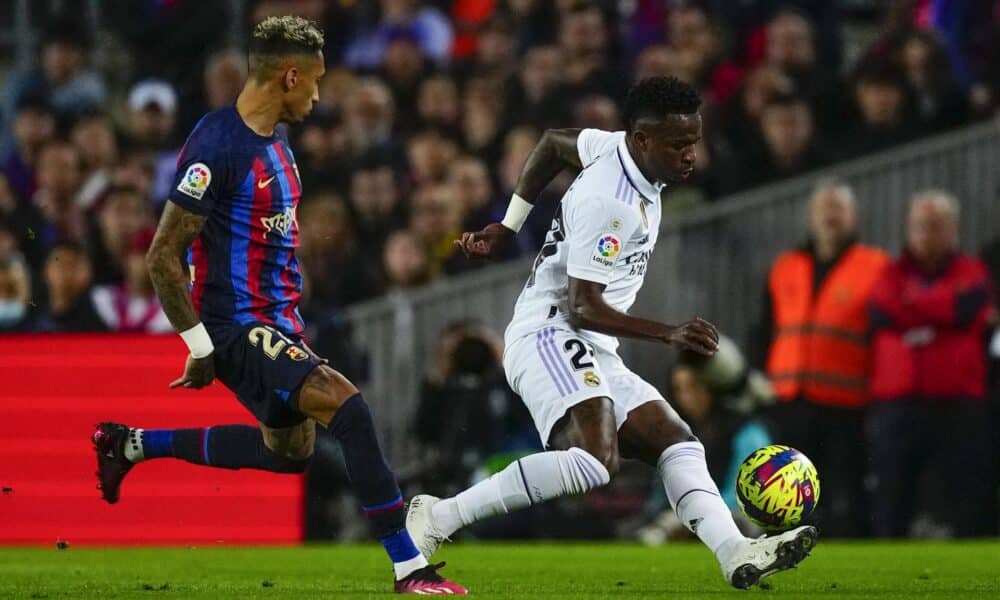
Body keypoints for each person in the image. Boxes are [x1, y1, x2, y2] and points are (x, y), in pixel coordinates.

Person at [89, 17, 465, 594]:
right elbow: (163, 256)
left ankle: (130, 443)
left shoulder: (277, 139)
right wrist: (200, 345)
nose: (318, 95)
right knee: (349, 409)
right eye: (313, 82)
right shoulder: (218, 146)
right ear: (289, 76)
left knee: (288, 454)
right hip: (237, 324)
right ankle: (409, 566)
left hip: (279, 319)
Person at [408, 76, 817, 589]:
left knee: (677, 443)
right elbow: (583, 307)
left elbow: (553, 142)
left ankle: (735, 550)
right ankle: (438, 517)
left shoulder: (613, 148)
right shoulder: (613, 204)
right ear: (643, 140)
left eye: (694, 140)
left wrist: (509, 225)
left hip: (588, 341)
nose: (691, 154)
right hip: (549, 333)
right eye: (677, 145)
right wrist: (668, 333)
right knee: (594, 462)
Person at [756, 180, 889, 537]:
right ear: (811, 216)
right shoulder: (785, 266)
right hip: (790, 398)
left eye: (838, 208)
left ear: (854, 216)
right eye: (824, 208)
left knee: (848, 490)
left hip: (847, 402)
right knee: (789, 494)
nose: (831, 215)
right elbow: (767, 327)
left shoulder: (876, 266)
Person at [867, 190, 996, 538]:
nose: (927, 233)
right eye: (920, 226)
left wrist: (912, 308)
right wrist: (942, 312)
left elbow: (967, 308)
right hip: (899, 404)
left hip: (958, 404)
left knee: (967, 495)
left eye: (935, 226)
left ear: (953, 230)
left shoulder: (973, 271)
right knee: (892, 495)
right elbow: (881, 311)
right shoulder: (887, 273)